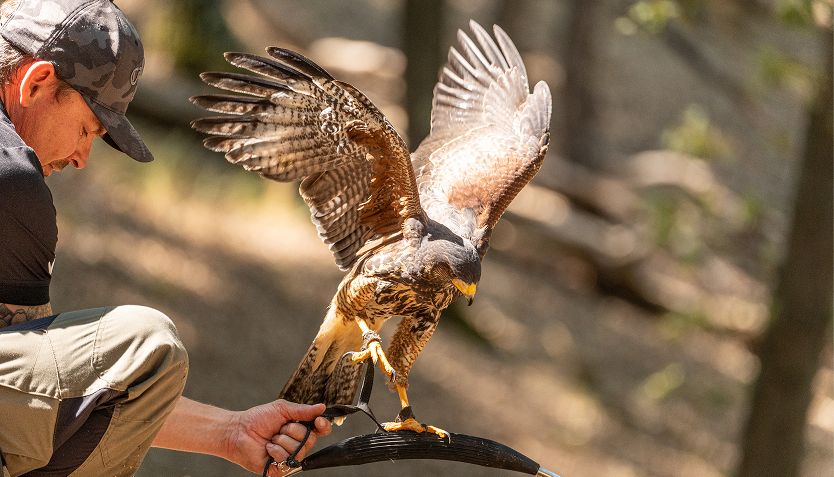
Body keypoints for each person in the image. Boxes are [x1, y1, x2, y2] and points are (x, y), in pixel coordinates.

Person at [0, 0, 331, 476]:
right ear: (36, 83)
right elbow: (55, 397)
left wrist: (231, 432)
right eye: (86, 129)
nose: (81, 158)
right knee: (147, 344)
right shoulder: (12, 180)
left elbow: (58, 389)